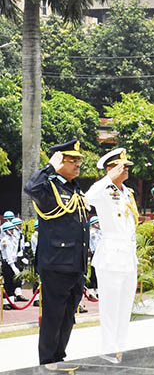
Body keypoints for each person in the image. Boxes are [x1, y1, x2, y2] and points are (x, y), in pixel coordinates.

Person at [23, 139, 90, 365]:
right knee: (53, 317)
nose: (78, 164)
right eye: (73, 160)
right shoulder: (49, 186)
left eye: (79, 160)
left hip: (75, 264)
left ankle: (59, 357)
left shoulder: (74, 188)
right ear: (59, 160)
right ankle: (47, 362)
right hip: (56, 264)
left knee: (68, 317)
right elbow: (30, 188)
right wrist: (49, 167)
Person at [84, 148, 138, 361]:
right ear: (110, 168)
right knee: (110, 307)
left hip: (128, 257)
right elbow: (87, 199)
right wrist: (108, 178)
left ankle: (121, 347)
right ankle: (108, 350)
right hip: (111, 257)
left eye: (126, 166)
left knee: (125, 307)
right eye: (121, 167)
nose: (126, 170)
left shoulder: (128, 192)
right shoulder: (103, 191)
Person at [85, 216, 101, 300]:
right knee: (94, 273)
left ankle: (98, 292)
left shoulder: (99, 232)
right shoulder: (92, 233)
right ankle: (91, 292)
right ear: (94, 224)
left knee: (99, 273)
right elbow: (95, 244)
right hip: (95, 253)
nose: (99, 224)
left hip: (100, 253)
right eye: (97, 222)